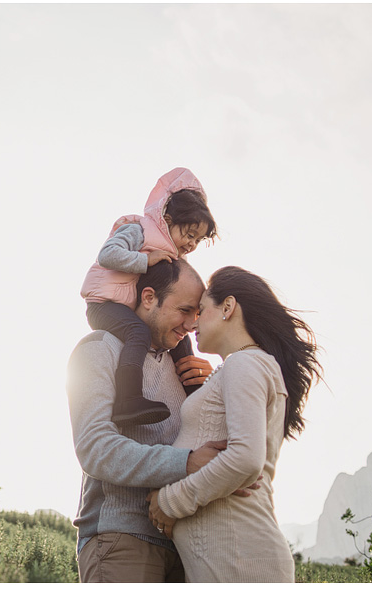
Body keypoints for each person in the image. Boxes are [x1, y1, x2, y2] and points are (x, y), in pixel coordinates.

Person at [146, 266, 322, 582]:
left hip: (241, 558)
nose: (193, 323)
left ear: (228, 307)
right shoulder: (242, 366)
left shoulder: (245, 363)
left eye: (201, 311)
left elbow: (245, 459)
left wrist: (169, 502)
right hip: (232, 558)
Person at [68, 258, 238, 583]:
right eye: (184, 310)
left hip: (188, 545)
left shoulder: (186, 369)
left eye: (197, 314)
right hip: (122, 540)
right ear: (148, 298)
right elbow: (95, 449)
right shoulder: (99, 348)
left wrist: (212, 388)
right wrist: (187, 462)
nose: (191, 324)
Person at [81, 167, 218, 428]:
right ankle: (128, 400)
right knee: (138, 332)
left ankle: (196, 396)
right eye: (189, 235)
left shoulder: (171, 253)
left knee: (183, 343)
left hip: (124, 303)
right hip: (102, 304)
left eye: (198, 240)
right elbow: (107, 255)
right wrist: (145, 260)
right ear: (167, 219)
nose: (192, 244)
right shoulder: (139, 230)